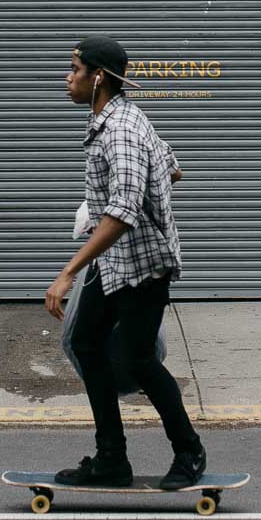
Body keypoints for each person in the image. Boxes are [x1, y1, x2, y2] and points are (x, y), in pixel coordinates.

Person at [45, 36, 205, 490]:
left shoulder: (121, 130)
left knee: (138, 361)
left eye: (74, 69)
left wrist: (68, 271)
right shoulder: (120, 120)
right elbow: (173, 167)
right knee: (86, 343)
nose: (67, 77)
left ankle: (189, 451)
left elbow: (124, 211)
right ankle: (111, 458)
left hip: (142, 265)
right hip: (114, 263)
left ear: (97, 77)